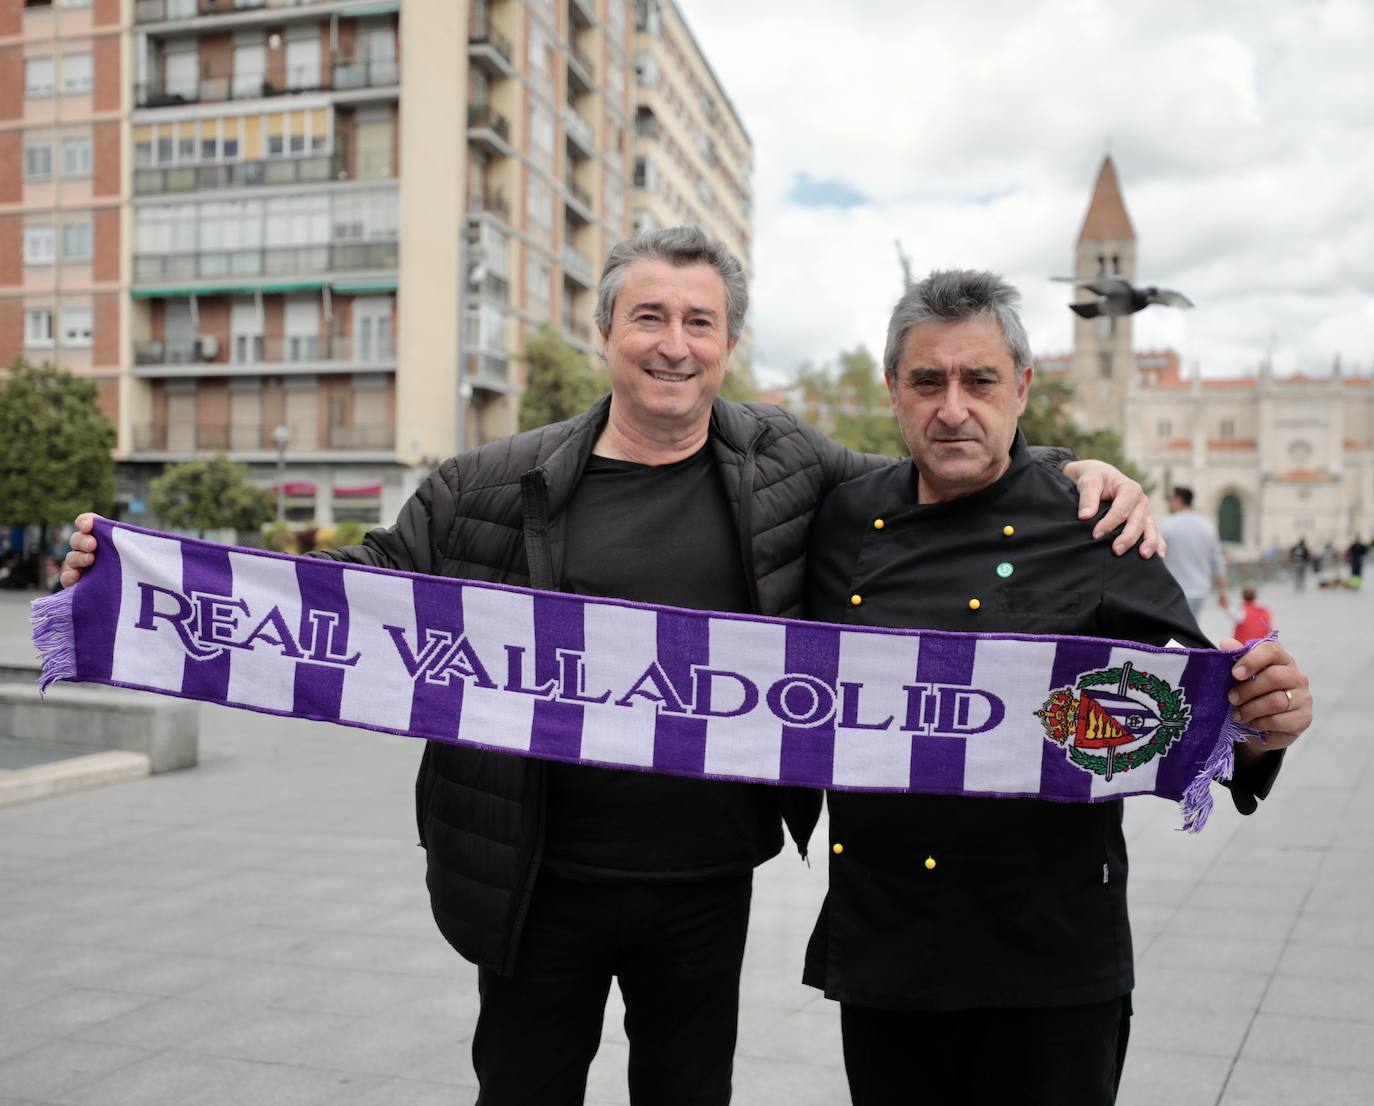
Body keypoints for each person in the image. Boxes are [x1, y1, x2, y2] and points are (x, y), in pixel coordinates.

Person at [60, 229, 1162, 1106]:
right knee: (525, 1089)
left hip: (701, 884)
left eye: (701, 321)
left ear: (727, 343)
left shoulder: (788, 463)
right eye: (651, 316)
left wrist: (1079, 471)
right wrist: (139, 577)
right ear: (606, 334)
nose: (674, 342)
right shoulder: (486, 484)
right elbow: (356, 594)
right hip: (534, 874)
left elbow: (949, 458)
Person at [803, 270, 1313, 1106]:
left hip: (1050, 953)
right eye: (927, 381)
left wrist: (1265, 720)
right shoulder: (843, 519)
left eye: (981, 380)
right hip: (887, 943)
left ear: (1023, 387)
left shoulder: (1099, 526)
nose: (953, 407)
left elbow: (1199, 717)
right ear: (893, 390)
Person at [1157, 486, 1229, 618]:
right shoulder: (1208, 526)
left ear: (1179, 499)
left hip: (1174, 590)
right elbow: (1218, 562)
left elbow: (1155, 556)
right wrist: (1223, 591)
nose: (1168, 503)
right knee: (1193, 630)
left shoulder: (1166, 524)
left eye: (1170, 499)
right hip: (1200, 590)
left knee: (1174, 633)